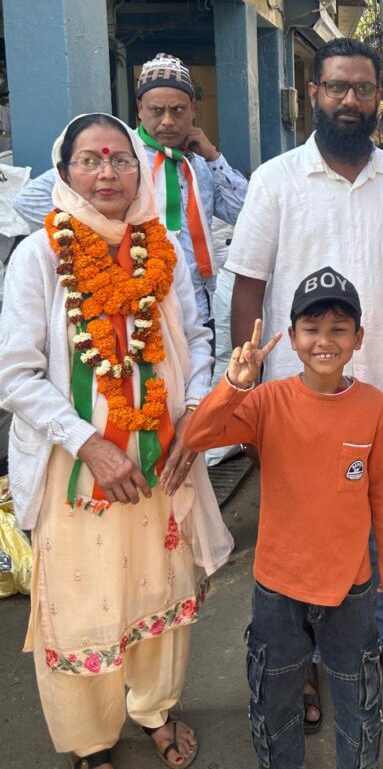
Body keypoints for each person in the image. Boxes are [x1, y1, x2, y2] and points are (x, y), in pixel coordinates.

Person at [0, 113, 232, 769]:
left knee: (159, 592)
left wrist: (193, 415)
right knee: (81, 608)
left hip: (162, 465)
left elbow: (200, 337)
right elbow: (13, 373)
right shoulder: (40, 255)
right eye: (90, 160)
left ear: (138, 170)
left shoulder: (163, 248)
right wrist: (89, 444)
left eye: (120, 159)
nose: (107, 173)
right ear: (64, 172)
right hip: (75, 474)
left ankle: (154, 708)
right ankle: (92, 741)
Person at [227, 37, 383, 719]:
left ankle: (379, 640)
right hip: (295, 403)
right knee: (300, 535)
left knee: (381, 526)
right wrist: (245, 397)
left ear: (380, 97)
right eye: (336, 87)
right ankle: (305, 660)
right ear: (314, 94)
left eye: (362, 88)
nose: (349, 100)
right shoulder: (275, 180)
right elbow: (248, 287)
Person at [184, 269, 383, 769]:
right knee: (275, 696)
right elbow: (198, 436)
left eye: (338, 329)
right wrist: (234, 385)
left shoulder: (373, 406)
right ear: (291, 337)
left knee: (358, 695)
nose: (324, 341)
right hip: (278, 585)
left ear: (358, 338)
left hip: (351, 585)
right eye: (311, 328)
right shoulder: (267, 401)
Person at [12, 54, 248, 337]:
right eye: (156, 111)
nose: (168, 121)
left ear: (193, 109)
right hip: (138, 304)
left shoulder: (199, 164)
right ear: (139, 109)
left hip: (196, 304)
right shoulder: (121, 159)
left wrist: (213, 157)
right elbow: (26, 202)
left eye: (178, 110)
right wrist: (91, 229)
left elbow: (244, 213)